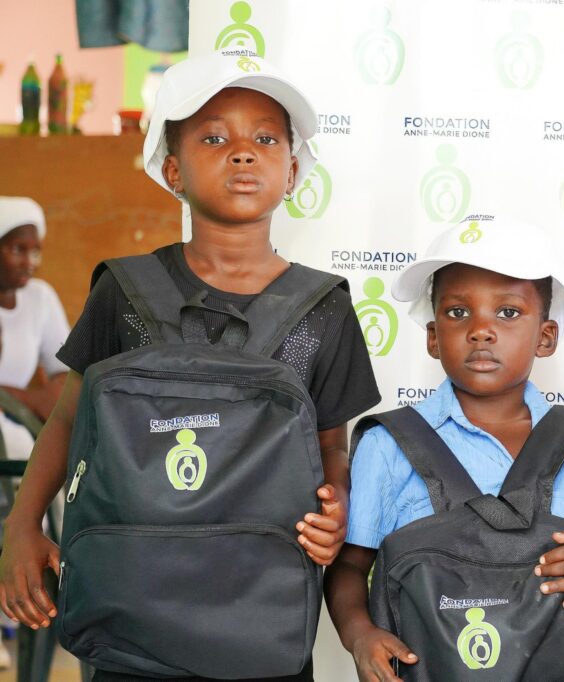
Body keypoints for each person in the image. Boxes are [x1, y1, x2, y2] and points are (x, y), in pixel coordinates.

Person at [0, 51, 380, 681]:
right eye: (214, 138)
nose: (243, 153)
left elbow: (330, 445)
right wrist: (22, 523)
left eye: (266, 139)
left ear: (292, 171)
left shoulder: (324, 307)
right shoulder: (124, 291)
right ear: (172, 168)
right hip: (131, 612)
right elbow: (68, 419)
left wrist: (336, 503)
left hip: (261, 616)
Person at [325, 217, 564, 682]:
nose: (481, 330)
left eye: (508, 312)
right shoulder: (388, 444)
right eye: (458, 312)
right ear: (433, 337)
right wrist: (360, 635)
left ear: (546, 337)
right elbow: (350, 567)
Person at [0, 197, 70, 461]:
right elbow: (46, 401)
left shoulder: (40, 297)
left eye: (36, 251)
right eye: (18, 249)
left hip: (18, 429)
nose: (30, 262)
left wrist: (12, 400)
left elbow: (66, 380)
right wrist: (34, 401)